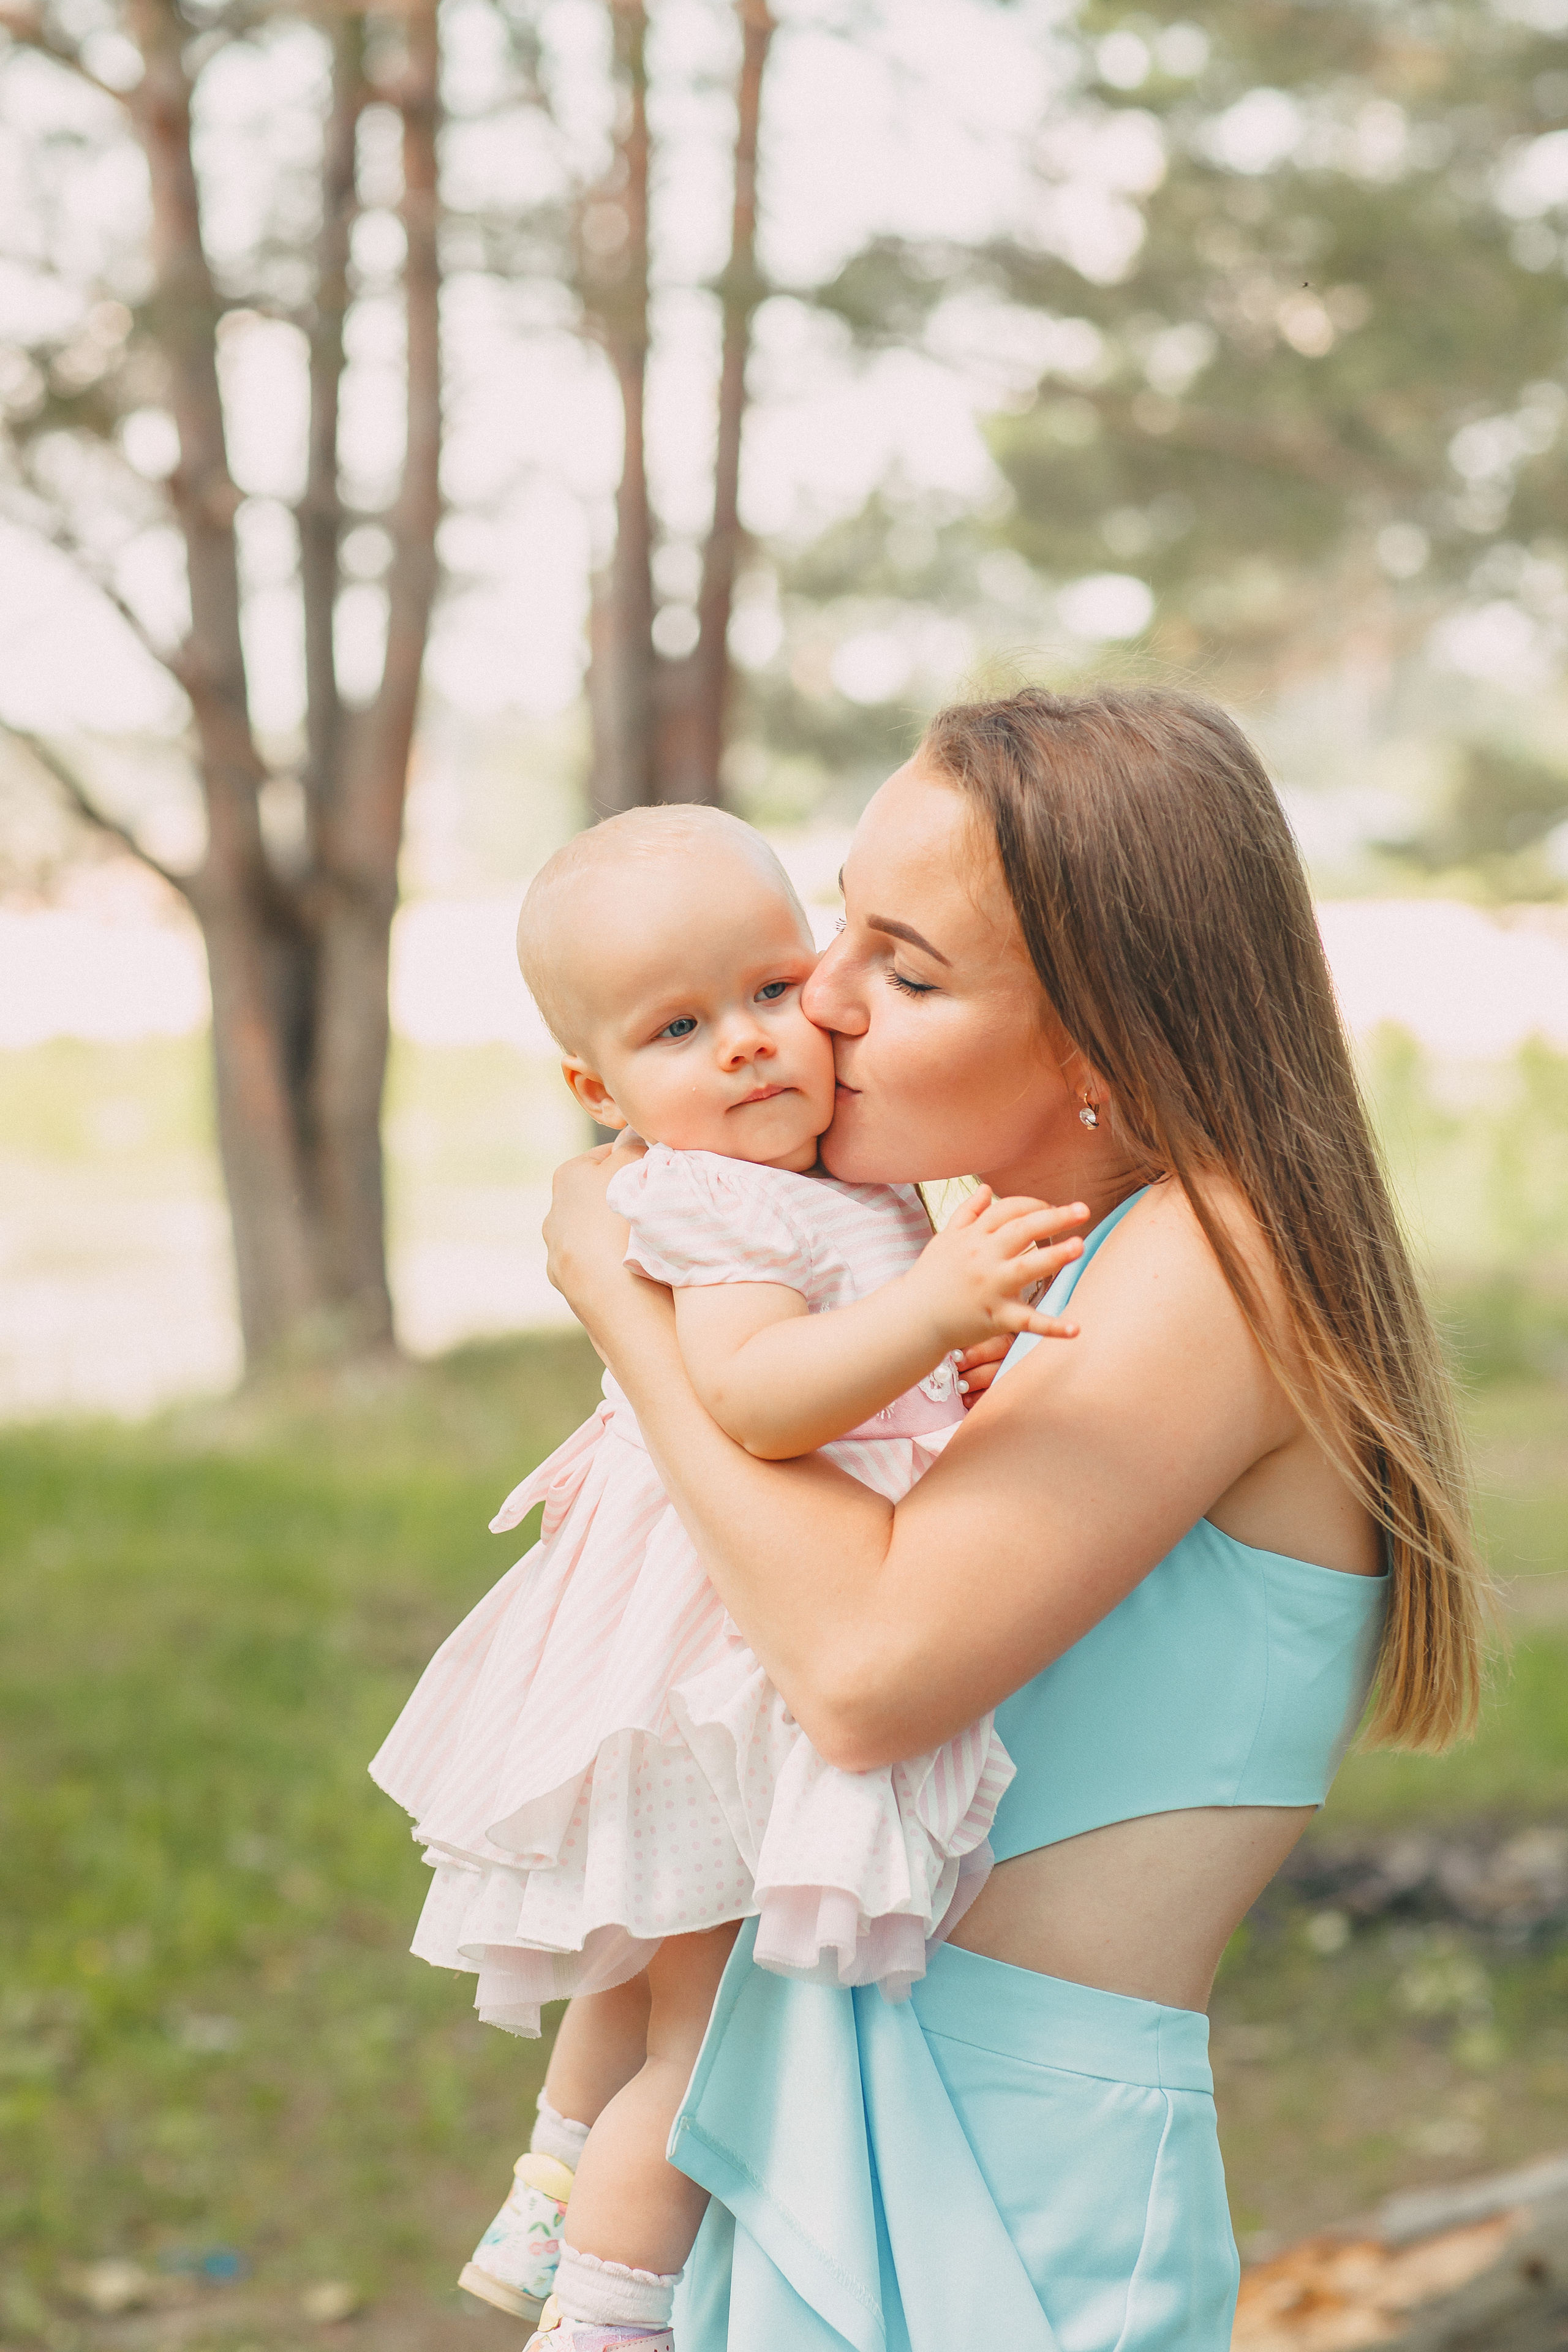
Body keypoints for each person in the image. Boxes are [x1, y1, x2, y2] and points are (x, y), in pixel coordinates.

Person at [540, 687, 1491, 2351]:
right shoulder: (1004, 1256)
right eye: (835, 926)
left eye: (903, 972)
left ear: (1104, 1048)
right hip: (851, 2097)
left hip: (1007, 2176)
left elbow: (862, 1667)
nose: (818, 1008)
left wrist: (629, 1304)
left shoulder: (1216, 1255)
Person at [370, 804, 1087, 2350]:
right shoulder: (715, 1196)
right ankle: (609, 2314)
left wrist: (935, 1330)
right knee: (703, 2033)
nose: (754, 1046)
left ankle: (552, 2191)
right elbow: (758, 1396)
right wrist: (938, 1307)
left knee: (650, 1971)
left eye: (771, 991)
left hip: (699, 1634)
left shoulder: (825, 1175)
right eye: (680, 1028)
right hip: (714, 1657)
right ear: (597, 1089)